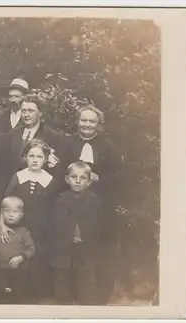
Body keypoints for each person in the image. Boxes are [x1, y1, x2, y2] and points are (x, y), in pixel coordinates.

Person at [60, 104, 122, 303]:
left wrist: (99, 178)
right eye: (84, 120)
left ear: (98, 124)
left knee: (97, 248)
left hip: (99, 204)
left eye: (91, 121)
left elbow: (119, 175)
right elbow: (61, 171)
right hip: (72, 204)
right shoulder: (67, 143)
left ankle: (100, 293)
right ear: (78, 122)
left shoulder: (108, 146)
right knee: (71, 245)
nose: (87, 124)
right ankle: (71, 292)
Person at [1, 139, 61, 302]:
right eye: (31, 156)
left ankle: (33, 294)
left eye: (39, 157)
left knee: (36, 259)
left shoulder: (50, 180)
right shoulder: (18, 177)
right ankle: (15, 293)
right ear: (25, 157)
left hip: (41, 228)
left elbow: (53, 207)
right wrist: (2, 225)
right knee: (17, 258)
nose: (35, 160)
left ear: (46, 159)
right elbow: (6, 202)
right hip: (18, 225)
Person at [48, 161, 104, 305]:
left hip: (85, 247)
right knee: (62, 279)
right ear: (67, 179)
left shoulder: (94, 200)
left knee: (86, 280)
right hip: (64, 246)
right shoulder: (61, 199)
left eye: (83, 178)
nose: (78, 181)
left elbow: (97, 225)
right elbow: (56, 223)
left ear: (89, 181)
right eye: (74, 177)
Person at [0, 196, 36, 304]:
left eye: (15, 211)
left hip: (18, 269)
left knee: (18, 292)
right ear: (2, 213)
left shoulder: (23, 231)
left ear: (21, 214)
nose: (11, 214)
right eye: (7, 211)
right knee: (1, 293)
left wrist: (21, 257)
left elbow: (31, 249)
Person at [7, 94, 64, 178]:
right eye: (23, 111)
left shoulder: (52, 136)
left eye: (30, 111)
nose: (26, 115)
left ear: (40, 112)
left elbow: (55, 169)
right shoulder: (13, 133)